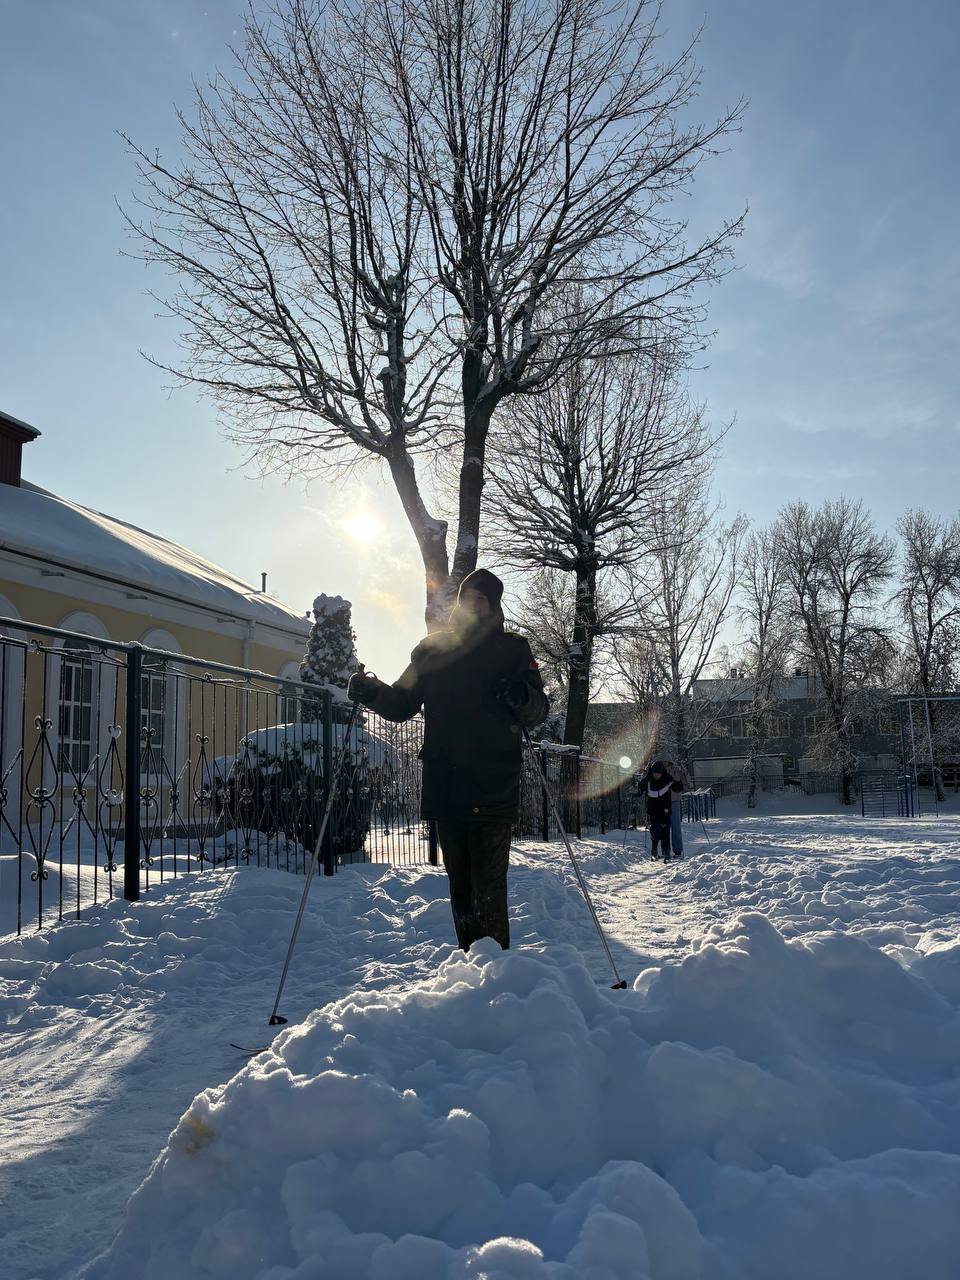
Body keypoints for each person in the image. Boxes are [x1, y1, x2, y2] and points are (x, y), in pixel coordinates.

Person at [347, 569, 549, 952]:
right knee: (461, 887)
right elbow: (402, 703)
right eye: (468, 597)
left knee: (489, 887)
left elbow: (538, 710)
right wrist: (371, 692)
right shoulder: (431, 651)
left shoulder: (513, 651)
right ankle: (470, 962)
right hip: (447, 784)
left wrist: (521, 695)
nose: (474, 604)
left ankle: (495, 968)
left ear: (493, 606)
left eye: (482, 599)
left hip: (493, 783)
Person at [641, 759, 675, 861]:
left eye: (658, 773)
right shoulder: (649, 781)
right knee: (655, 830)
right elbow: (641, 786)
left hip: (665, 809)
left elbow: (676, 785)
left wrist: (678, 784)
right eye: (654, 773)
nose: (656, 775)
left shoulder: (667, 779)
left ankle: (666, 851)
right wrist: (638, 791)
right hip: (653, 810)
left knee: (665, 831)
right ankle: (654, 850)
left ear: (662, 772)